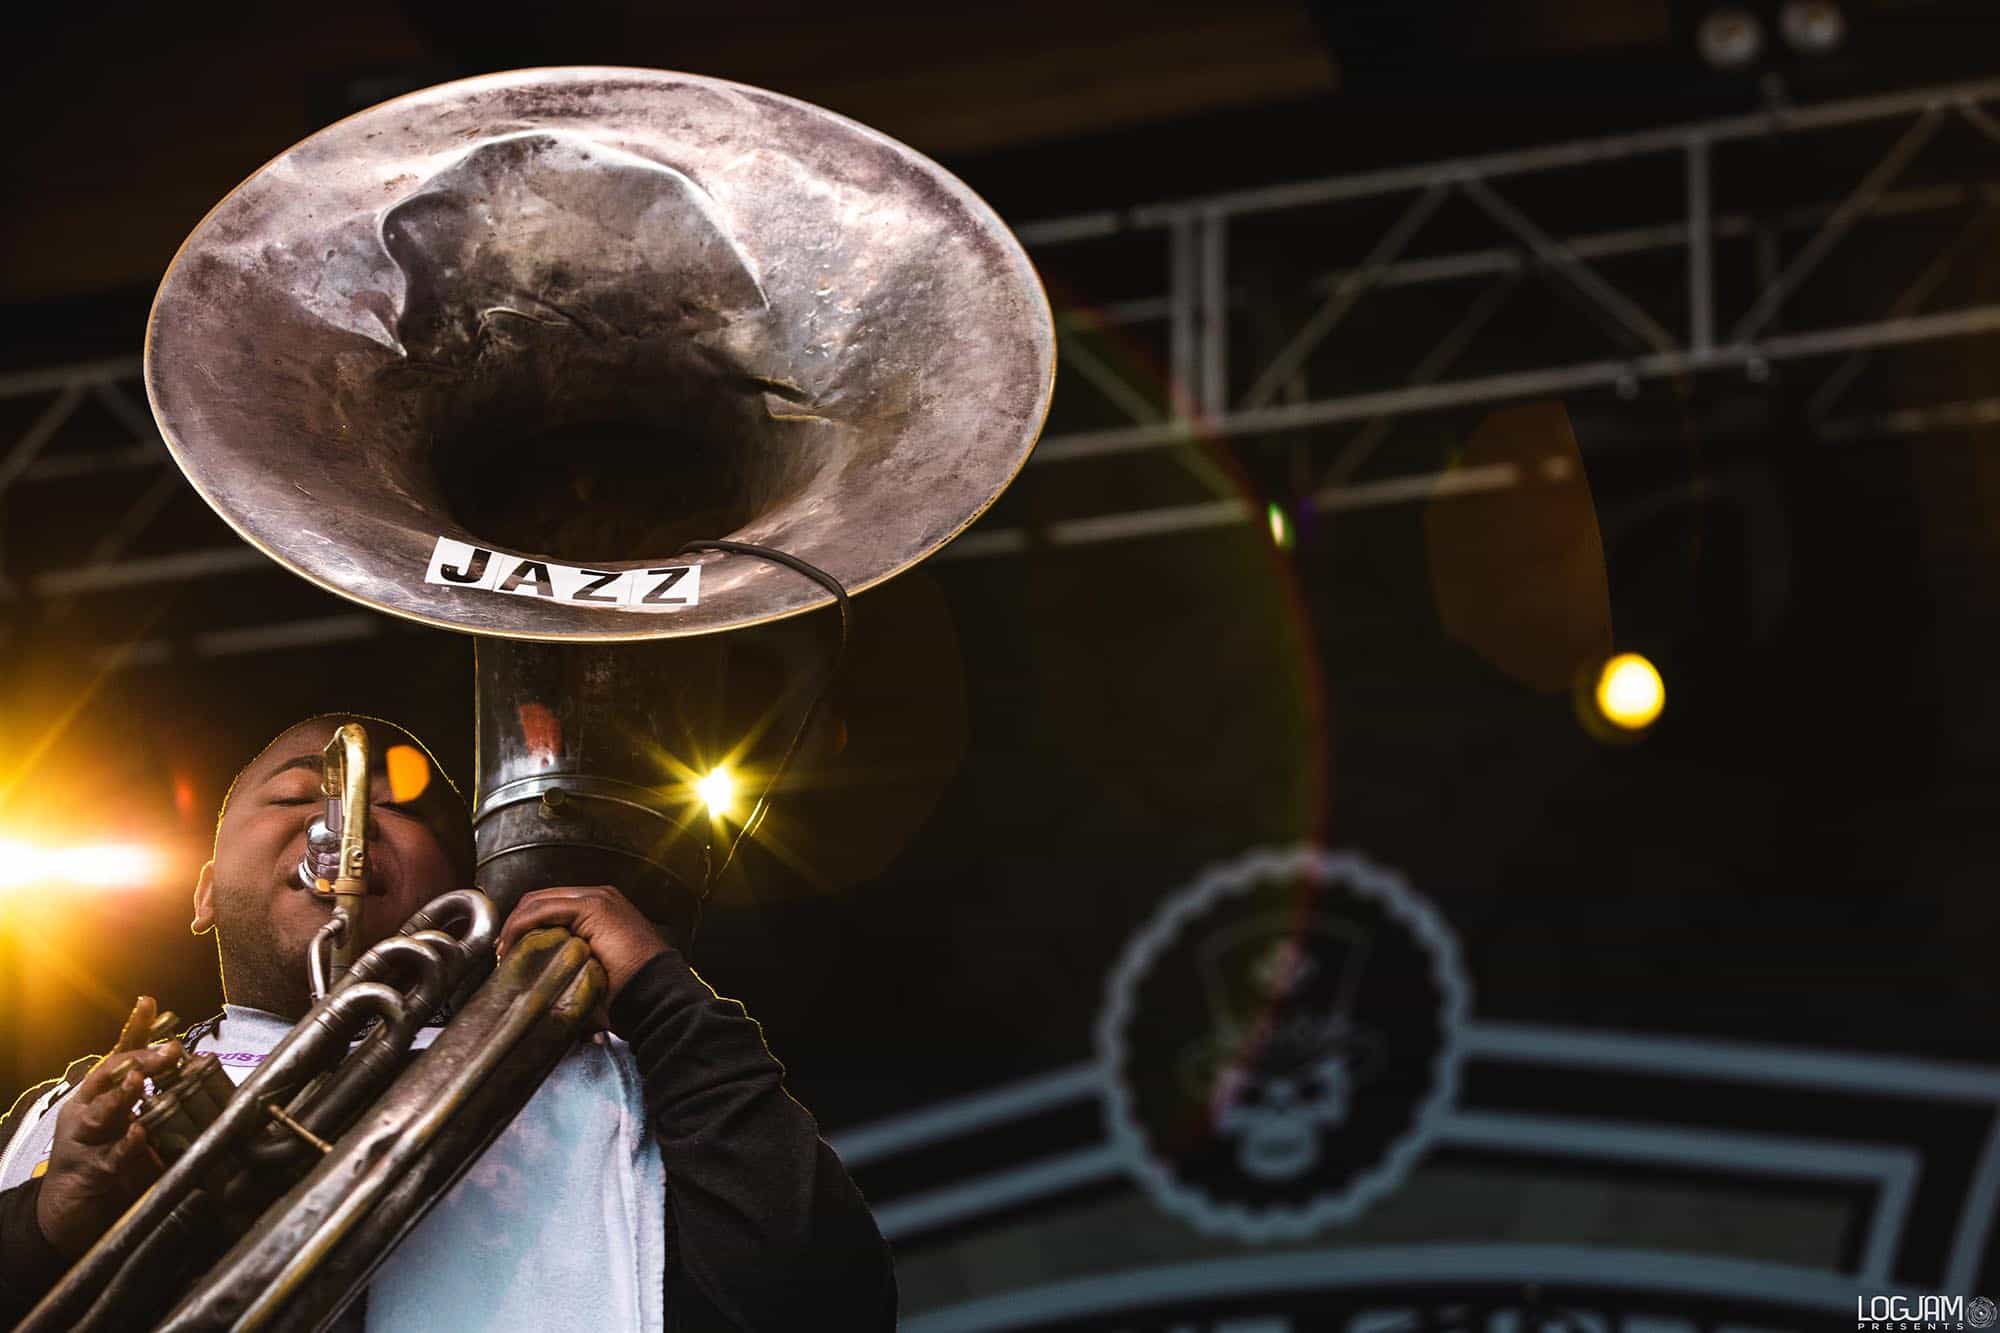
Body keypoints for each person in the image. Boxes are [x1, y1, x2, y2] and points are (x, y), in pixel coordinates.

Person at [0, 713, 894, 1331]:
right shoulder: (55, 1121)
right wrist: (47, 1219)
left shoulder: (597, 1073)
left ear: (465, 886)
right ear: (203, 890)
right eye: (295, 794)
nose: (342, 819)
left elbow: (827, 1300)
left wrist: (666, 997)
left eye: (399, 805)